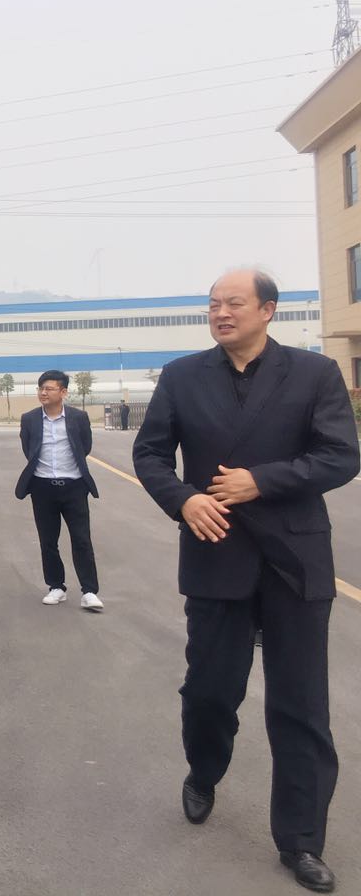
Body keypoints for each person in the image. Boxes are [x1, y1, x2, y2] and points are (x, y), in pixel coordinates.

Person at [133, 269, 358, 894]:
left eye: (234, 303)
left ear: (268, 310)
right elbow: (150, 454)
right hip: (216, 552)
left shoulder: (314, 374)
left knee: (300, 705)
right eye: (213, 304)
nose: (221, 313)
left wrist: (262, 480)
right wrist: (183, 499)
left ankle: (301, 841)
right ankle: (203, 771)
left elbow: (341, 455)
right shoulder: (182, 376)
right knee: (209, 692)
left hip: (295, 559)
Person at [15, 370, 103, 611]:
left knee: (82, 539)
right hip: (42, 487)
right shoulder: (29, 419)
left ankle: (89, 591)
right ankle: (56, 587)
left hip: (74, 486)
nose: (43, 392)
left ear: (63, 392)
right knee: (48, 540)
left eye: (49, 388)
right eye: (41, 388)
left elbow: (85, 447)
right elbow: (29, 449)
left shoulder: (78, 418)